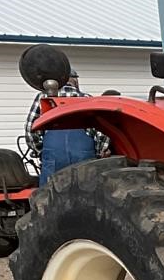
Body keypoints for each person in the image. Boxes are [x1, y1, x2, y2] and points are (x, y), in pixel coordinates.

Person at [21, 53, 111, 184]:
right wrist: (98, 152)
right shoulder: (87, 99)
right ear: (75, 81)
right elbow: (102, 132)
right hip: (84, 158)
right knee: (88, 198)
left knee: (49, 199)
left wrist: (42, 151)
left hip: (53, 160)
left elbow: (31, 130)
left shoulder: (43, 99)